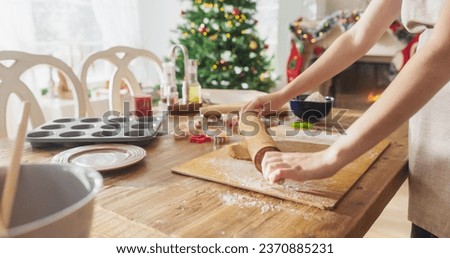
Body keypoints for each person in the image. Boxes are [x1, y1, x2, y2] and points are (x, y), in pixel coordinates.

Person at [241, 0, 449, 238]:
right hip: (431, 128)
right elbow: (357, 37)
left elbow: (443, 51)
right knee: (431, 228)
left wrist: (330, 157)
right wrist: (283, 95)